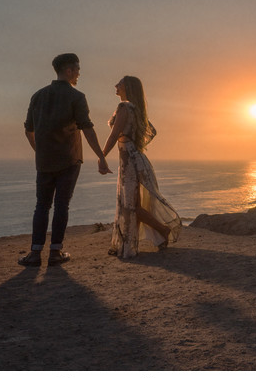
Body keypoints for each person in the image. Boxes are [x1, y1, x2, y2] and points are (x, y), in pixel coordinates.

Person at [18, 53, 111, 267]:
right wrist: (101, 156)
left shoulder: (37, 96)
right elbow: (87, 128)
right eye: (77, 68)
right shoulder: (76, 97)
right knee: (61, 205)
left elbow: (28, 130)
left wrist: (39, 151)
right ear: (68, 70)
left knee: (41, 206)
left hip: (44, 161)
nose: (79, 72)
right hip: (69, 160)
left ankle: (34, 254)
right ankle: (55, 253)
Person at [102, 75, 181, 258]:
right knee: (132, 205)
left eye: (119, 84)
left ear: (127, 87)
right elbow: (151, 131)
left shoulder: (124, 107)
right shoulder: (135, 109)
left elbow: (114, 136)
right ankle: (153, 235)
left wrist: (102, 156)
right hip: (133, 158)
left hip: (130, 161)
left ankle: (156, 233)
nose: (116, 85)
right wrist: (135, 143)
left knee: (130, 205)